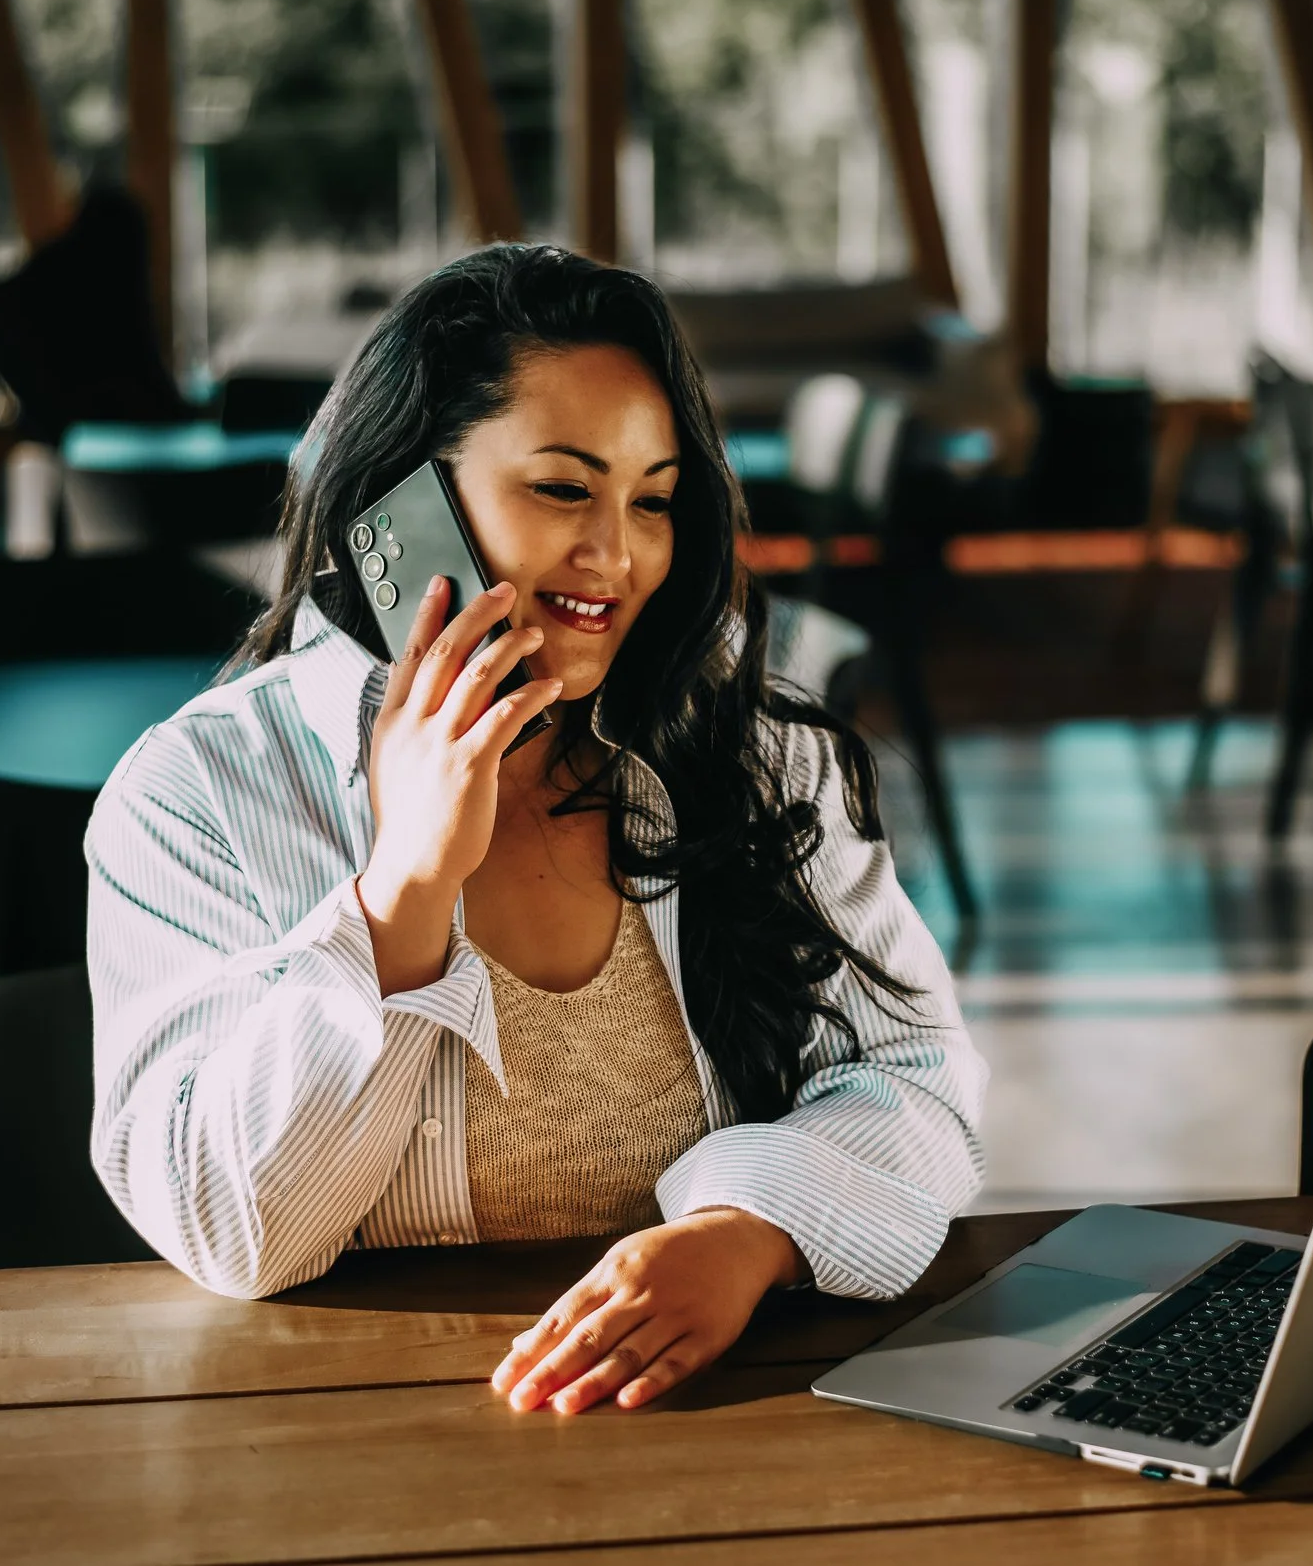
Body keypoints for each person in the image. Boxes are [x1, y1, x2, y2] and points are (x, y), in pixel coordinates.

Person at [86, 244, 985, 1416]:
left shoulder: (759, 760)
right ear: (406, 510)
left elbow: (919, 1076)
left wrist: (751, 1225)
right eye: (564, 487)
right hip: (339, 1440)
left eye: (653, 499)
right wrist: (402, 891)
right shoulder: (195, 792)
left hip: (715, 1426)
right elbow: (231, 1230)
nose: (616, 556)